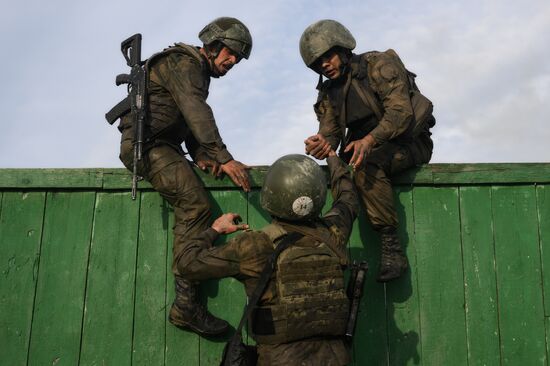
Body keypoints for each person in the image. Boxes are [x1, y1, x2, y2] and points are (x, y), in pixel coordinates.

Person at [116, 17, 253, 336]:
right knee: (195, 206)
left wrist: (202, 154)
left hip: (164, 146)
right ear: (214, 46)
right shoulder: (185, 63)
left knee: (196, 201)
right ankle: (186, 306)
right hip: (149, 147)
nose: (232, 61)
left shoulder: (193, 68)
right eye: (230, 53)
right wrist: (225, 158)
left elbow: (185, 119)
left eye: (237, 58)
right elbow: (196, 113)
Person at [177, 152, 360, 365]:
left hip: (279, 359)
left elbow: (187, 263)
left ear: (271, 196)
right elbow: (348, 198)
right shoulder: (333, 233)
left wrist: (215, 230)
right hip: (336, 357)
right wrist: (332, 157)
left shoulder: (256, 246)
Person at [300, 19, 435, 282]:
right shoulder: (330, 92)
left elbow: (401, 113)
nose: (324, 65)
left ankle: (392, 248)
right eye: (318, 63)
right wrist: (321, 143)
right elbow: (331, 134)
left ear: (343, 48)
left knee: (366, 167)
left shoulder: (378, 65)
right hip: (366, 150)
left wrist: (370, 140)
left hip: (409, 142)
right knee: (334, 170)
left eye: (328, 56)